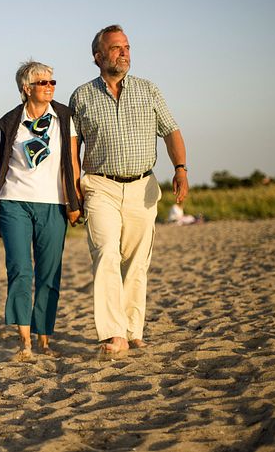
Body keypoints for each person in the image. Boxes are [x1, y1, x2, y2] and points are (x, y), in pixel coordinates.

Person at [69, 25, 189, 354]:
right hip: (99, 186)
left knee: (137, 262)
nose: (124, 52)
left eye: (127, 47)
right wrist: (74, 189)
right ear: (98, 56)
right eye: (116, 47)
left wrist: (180, 168)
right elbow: (72, 148)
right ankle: (113, 333)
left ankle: (134, 330)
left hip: (142, 186)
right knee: (106, 254)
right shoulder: (81, 96)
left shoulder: (148, 90)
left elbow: (171, 130)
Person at [0, 60, 83, 361]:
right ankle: (25, 341)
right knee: (20, 269)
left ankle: (44, 339)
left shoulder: (66, 117)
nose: (50, 87)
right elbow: (2, 166)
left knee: (49, 272)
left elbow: (73, 162)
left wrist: (75, 201)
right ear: (26, 88)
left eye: (53, 82)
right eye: (43, 82)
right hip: (13, 201)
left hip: (53, 203)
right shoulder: (9, 121)